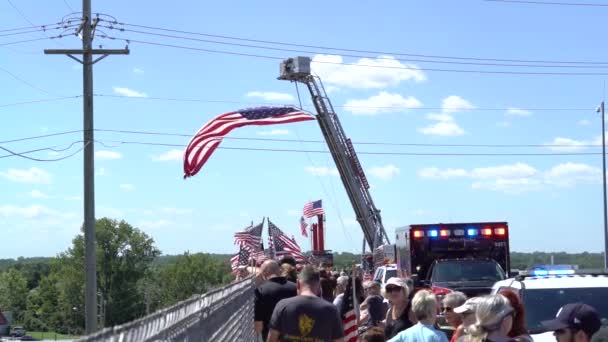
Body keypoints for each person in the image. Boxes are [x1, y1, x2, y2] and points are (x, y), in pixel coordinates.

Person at [267, 265, 345, 342]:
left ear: (297, 283)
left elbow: (272, 338)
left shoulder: (282, 305)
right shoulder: (331, 310)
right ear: (319, 286)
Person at [254, 260, 297, 341]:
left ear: (264, 272)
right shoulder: (295, 288)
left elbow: (258, 326)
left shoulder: (260, 291)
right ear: (279, 271)